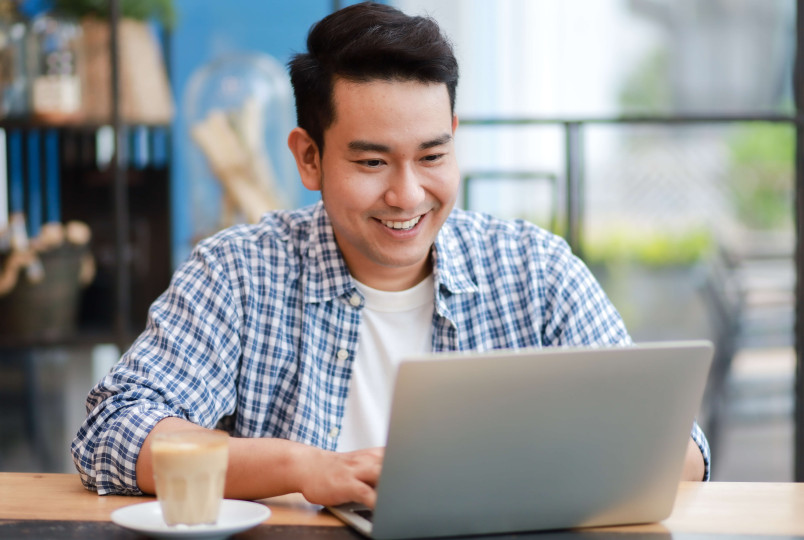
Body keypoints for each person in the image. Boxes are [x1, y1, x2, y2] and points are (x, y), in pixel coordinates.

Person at [71, 1, 710, 508]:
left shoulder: (535, 271)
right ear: (309, 157)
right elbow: (113, 431)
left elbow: (680, 450)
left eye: (432, 156)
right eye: (372, 161)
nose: (407, 195)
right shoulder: (240, 272)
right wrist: (303, 468)